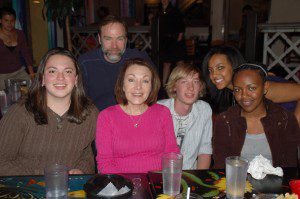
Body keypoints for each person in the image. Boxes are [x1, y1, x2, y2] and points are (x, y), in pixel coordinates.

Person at [0, 48, 98, 176]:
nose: (60, 78)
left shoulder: (90, 113)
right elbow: (2, 161)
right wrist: (39, 180)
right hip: (25, 189)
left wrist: (82, 170)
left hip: (70, 189)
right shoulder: (19, 113)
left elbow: (87, 152)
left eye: (68, 71)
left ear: (76, 79)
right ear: (42, 79)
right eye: (52, 71)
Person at [96, 58, 179, 173]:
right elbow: (105, 162)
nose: (138, 87)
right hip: (121, 185)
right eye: (131, 80)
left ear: (151, 86)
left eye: (145, 81)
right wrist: (124, 187)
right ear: (123, 85)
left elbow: (172, 153)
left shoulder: (163, 113)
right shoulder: (106, 116)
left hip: (157, 183)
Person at [213, 63, 300, 169]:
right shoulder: (225, 122)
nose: (244, 95)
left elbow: (290, 168)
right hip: (237, 184)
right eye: (237, 89)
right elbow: (221, 168)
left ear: (265, 87)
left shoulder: (285, 120)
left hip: (277, 184)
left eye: (251, 88)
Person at [202, 45, 300, 124]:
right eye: (210, 70)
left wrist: (294, 131)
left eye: (220, 68)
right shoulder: (232, 92)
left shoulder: (258, 86)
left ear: (234, 66)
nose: (214, 75)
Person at [79, 15, 153, 111]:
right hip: (98, 119)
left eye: (120, 39)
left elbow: (153, 92)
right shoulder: (85, 63)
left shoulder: (140, 59)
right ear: (99, 39)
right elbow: (79, 101)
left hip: (133, 117)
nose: (114, 46)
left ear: (126, 40)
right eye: (108, 39)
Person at [158, 63, 212, 170]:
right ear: (174, 86)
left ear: (200, 87)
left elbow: (204, 152)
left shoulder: (204, 110)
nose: (191, 87)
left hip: (190, 176)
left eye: (195, 82)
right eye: (184, 82)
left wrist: (197, 182)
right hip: (162, 176)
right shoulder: (158, 109)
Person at [0, 7, 34, 90]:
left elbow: (26, 53)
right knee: (6, 100)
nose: (9, 23)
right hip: (2, 75)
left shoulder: (20, 34)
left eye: (12, 20)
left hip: (19, 71)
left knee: (32, 89)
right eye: (6, 20)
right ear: (0, 20)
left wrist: (31, 73)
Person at [158, 0, 186, 86]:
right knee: (166, 63)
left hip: (176, 40)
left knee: (180, 63)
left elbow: (181, 26)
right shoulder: (158, 11)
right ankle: (163, 84)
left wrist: (179, 40)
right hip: (165, 41)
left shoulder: (175, 10)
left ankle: (184, 80)